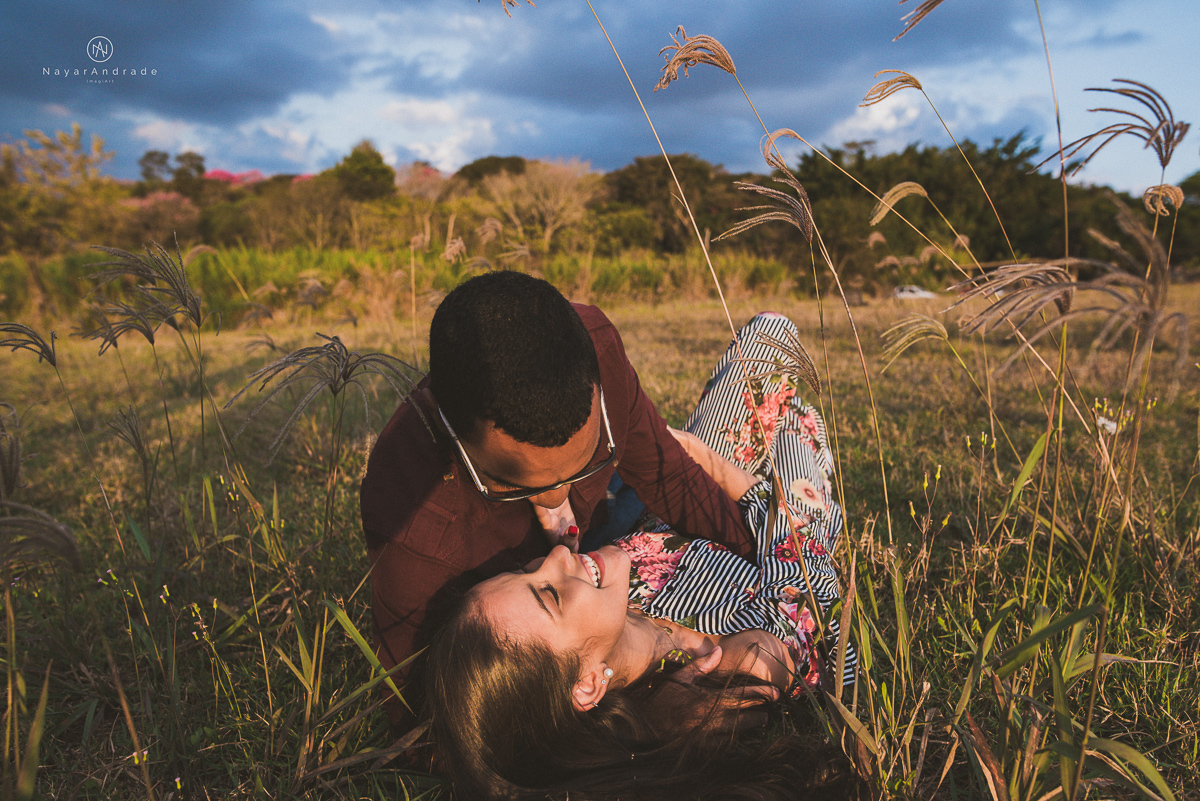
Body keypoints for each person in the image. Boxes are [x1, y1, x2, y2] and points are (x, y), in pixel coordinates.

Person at [425, 327, 857, 800]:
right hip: (773, 508)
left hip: (703, 503)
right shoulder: (719, 679)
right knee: (791, 434)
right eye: (547, 593)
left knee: (768, 335)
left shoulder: (605, 597)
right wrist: (720, 471)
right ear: (587, 684)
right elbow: (806, 570)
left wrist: (675, 459)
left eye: (527, 570)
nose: (553, 560)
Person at [361, 271, 756, 729]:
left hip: (609, 548)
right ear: (454, 437)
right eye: (514, 486)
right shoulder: (413, 517)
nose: (557, 496)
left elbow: (668, 475)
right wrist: (655, 718)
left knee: (766, 339)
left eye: (584, 463)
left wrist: (771, 557)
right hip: (595, 585)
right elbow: (422, 722)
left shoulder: (595, 349)